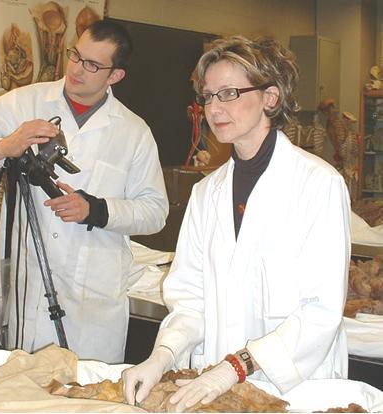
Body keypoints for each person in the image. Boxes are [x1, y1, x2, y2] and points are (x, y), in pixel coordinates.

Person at [123, 35, 350, 411]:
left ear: (270, 98)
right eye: (208, 95)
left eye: (228, 92)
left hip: (293, 387)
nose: (214, 107)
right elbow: (190, 297)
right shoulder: (207, 193)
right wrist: (163, 354)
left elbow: (320, 311)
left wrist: (236, 367)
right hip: (216, 388)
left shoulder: (318, 185)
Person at [0, 20, 168, 364]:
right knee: (24, 396)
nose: (76, 69)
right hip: (30, 296)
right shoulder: (23, 104)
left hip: (94, 308)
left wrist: (97, 210)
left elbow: (155, 212)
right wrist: (5, 145)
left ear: (115, 76)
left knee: (87, 398)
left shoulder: (133, 132)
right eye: (76, 56)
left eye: (93, 65)